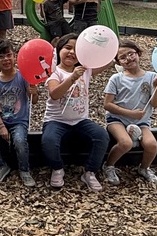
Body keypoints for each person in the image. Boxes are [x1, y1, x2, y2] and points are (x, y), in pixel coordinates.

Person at [41, 34, 110, 190]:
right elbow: (55, 93)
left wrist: (111, 49)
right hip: (56, 120)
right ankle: (58, 169)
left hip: (80, 120)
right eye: (67, 47)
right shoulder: (54, 73)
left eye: (76, 49)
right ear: (59, 50)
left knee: (101, 136)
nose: (71, 52)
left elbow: (106, 62)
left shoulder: (85, 70)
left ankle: (89, 172)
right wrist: (72, 78)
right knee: (49, 141)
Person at [103, 39, 157, 187]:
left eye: (131, 54)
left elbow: (156, 104)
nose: (128, 59)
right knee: (125, 143)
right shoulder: (116, 79)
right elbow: (107, 104)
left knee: (152, 145)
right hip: (117, 119)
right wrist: (130, 114)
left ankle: (144, 168)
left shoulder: (152, 77)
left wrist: (156, 86)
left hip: (141, 121)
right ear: (118, 62)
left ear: (139, 54)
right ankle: (108, 166)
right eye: (122, 57)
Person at [0, 38, 37, 187]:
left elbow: (34, 100)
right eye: (1, 56)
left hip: (19, 120)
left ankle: (24, 169)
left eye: (9, 55)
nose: (6, 59)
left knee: (19, 141)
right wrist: (1, 126)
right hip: (0, 119)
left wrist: (34, 91)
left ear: (14, 56)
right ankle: (1, 166)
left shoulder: (23, 76)